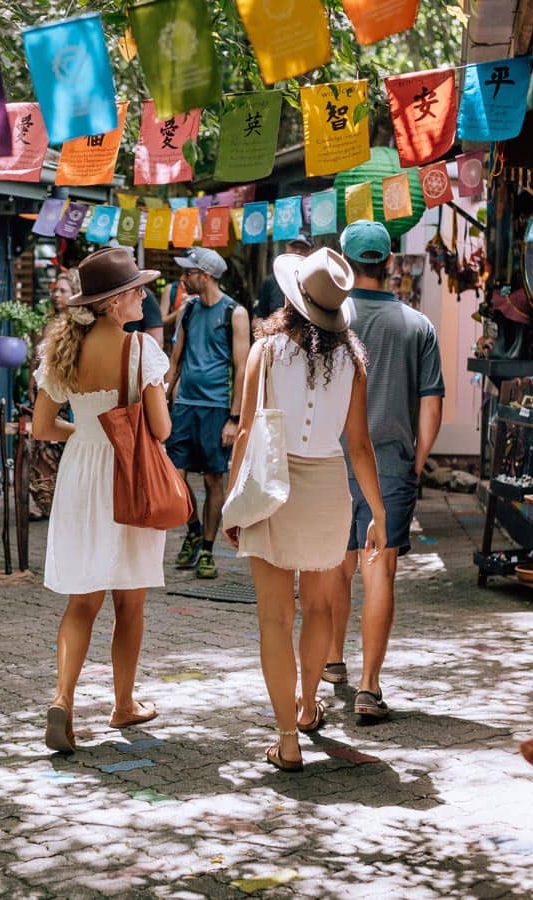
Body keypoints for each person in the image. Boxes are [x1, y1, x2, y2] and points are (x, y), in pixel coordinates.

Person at [223, 247, 387, 772]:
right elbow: (359, 444)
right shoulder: (354, 360)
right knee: (320, 609)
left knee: (275, 617)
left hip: (273, 483)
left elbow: (246, 430)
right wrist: (379, 513)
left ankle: (287, 738)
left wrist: (231, 502)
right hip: (328, 490)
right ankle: (309, 704)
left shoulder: (266, 351)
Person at [33, 247, 173, 754]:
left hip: (81, 474)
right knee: (129, 600)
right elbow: (160, 429)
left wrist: (87, 431)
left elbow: (43, 427)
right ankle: (123, 703)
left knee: (82, 598)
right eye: (137, 289)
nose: (144, 295)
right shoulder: (141, 352)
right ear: (115, 303)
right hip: (128, 475)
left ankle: (62, 701)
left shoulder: (63, 351)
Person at [326, 220, 444, 720]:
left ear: (348, 266)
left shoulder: (328, 318)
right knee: (380, 569)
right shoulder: (418, 326)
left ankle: (332, 660)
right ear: (389, 264)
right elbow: (431, 405)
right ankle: (369, 689)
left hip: (331, 459)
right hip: (391, 463)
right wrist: (416, 463)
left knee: (336, 562)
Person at [167, 247, 250, 579]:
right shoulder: (188, 310)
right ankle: (193, 528)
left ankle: (206, 548)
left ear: (206, 275)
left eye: (188, 273)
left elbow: (242, 368)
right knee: (175, 475)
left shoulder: (235, 312)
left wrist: (234, 417)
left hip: (217, 407)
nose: (183, 278)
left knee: (215, 478)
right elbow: (175, 361)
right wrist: (163, 396)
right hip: (185, 404)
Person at [28, 269, 81, 518]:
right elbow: (36, 362)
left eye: (63, 290)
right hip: (45, 393)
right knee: (41, 449)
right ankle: (45, 498)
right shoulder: (47, 324)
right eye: (55, 290)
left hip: (66, 398)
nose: (57, 295)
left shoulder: (80, 329)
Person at [254, 232, 314, 320]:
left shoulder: (315, 281)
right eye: (294, 247)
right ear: (286, 247)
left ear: (311, 251)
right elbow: (257, 319)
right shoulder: (272, 281)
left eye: (303, 248)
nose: (298, 252)